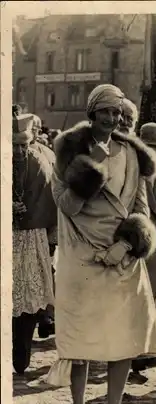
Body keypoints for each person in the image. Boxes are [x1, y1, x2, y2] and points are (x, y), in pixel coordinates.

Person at [47, 84, 156, 404]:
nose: (112, 118)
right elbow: (65, 204)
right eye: (105, 111)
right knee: (83, 344)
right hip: (82, 258)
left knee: (124, 341)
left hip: (122, 259)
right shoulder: (68, 149)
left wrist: (127, 244)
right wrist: (91, 169)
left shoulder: (131, 153)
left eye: (118, 112)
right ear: (92, 113)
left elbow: (141, 208)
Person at [129, 123, 156, 382]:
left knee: (152, 292)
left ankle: (143, 347)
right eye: (151, 147)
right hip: (140, 233)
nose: (155, 152)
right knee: (138, 293)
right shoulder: (134, 167)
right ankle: (138, 352)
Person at [12, 113, 56, 375]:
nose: (18, 150)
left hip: (32, 238)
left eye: (23, 144)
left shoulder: (42, 160)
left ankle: (22, 352)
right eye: (13, 144)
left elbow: (50, 197)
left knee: (30, 299)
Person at [29, 114, 58, 338]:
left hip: (47, 221)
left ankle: (47, 315)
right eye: (33, 128)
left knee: (47, 269)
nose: (36, 132)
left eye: (38, 128)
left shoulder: (48, 154)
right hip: (24, 223)